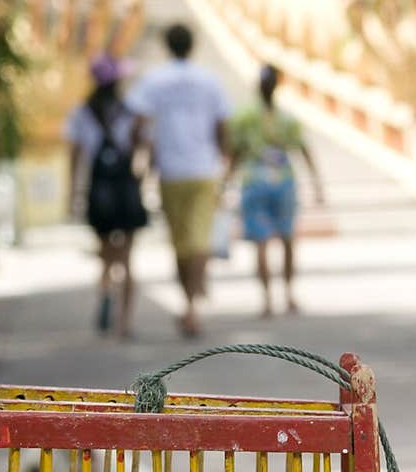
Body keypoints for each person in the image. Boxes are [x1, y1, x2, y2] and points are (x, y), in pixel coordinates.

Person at [129, 23, 231, 337]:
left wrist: (141, 153)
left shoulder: (155, 80)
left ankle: (187, 303)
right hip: (203, 169)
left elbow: (138, 122)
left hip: (170, 170)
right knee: (199, 237)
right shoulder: (208, 80)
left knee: (179, 241)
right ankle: (192, 305)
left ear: (166, 45)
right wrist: (224, 159)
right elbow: (222, 125)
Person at [229, 64, 324, 316]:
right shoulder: (287, 119)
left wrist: (224, 183)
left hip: (254, 181)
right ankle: (289, 294)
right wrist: (317, 183)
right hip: (284, 181)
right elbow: (303, 149)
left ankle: (267, 299)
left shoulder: (244, 117)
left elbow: (235, 153)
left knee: (261, 242)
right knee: (287, 238)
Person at [65, 53, 148, 338]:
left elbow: (75, 156)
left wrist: (72, 194)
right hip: (125, 189)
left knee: (105, 255)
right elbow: (143, 150)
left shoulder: (81, 112)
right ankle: (124, 321)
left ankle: (104, 293)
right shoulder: (130, 112)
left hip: (99, 190)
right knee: (127, 258)